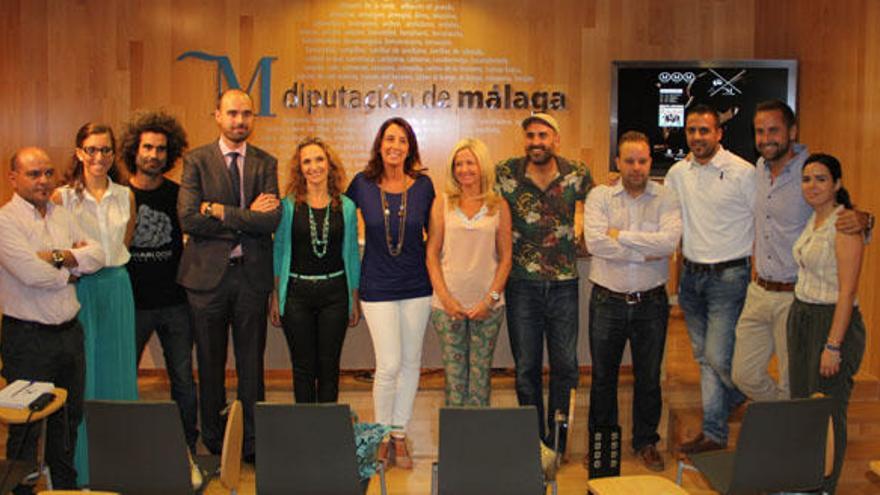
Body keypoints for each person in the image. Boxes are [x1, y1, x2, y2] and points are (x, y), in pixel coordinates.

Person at [731, 100, 871, 403]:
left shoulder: (811, 172)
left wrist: (865, 219)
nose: (766, 138)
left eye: (774, 130)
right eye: (759, 131)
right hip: (759, 290)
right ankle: (784, 417)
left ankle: (788, 438)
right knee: (743, 374)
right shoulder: (757, 168)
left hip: (795, 298)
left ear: (792, 131)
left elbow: (842, 216)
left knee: (793, 384)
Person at [178, 89, 281, 463]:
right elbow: (188, 218)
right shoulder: (197, 161)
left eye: (247, 114)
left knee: (252, 367)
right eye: (233, 113)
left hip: (251, 279)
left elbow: (271, 219)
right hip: (206, 282)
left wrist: (219, 211)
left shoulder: (265, 163)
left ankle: (253, 445)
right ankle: (217, 444)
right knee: (209, 363)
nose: (240, 121)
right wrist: (243, 218)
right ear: (217, 115)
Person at [0, 147, 104, 494]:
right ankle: (21, 490)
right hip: (27, 340)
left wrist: (58, 257)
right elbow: (31, 274)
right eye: (33, 174)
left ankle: (65, 488)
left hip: (68, 336)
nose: (43, 181)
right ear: (13, 178)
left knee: (68, 420)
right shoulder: (5, 222)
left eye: (47, 173)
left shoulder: (61, 215)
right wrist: (71, 271)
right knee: (26, 426)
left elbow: (99, 255)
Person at [583, 131, 681, 471]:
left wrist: (620, 237)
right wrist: (645, 252)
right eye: (629, 161)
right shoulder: (600, 196)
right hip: (607, 301)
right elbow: (595, 243)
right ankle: (602, 443)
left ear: (650, 162)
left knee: (649, 376)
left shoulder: (666, 197)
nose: (636, 167)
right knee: (603, 377)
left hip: (651, 303)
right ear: (617, 163)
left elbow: (668, 244)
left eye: (642, 160)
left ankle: (646, 442)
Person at [495, 113, 592, 453]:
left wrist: (587, 235)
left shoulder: (577, 174)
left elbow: (600, 205)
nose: (536, 142)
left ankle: (559, 443)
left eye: (543, 135)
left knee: (565, 366)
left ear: (556, 139)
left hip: (565, 285)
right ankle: (534, 445)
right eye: (531, 135)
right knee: (526, 369)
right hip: (521, 285)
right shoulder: (506, 173)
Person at [345, 117, 435, 469]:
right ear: (379, 145)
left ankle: (400, 436)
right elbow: (337, 222)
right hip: (377, 285)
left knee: (412, 362)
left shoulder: (425, 186)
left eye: (402, 140)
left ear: (410, 147)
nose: (395, 146)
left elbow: (437, 238)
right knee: (389, 365)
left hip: (417, 286)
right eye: (389, 139)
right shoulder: (361, 185)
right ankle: (381, 435)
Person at [665, 104, 753, 455]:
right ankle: (715, 432)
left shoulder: (743, 172)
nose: (698, 136)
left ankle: (746, 392)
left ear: (719, 133)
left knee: (717, 355)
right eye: (692, 130)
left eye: (705, 130)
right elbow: (662, 209)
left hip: (730, 276)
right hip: (692, 276)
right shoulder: (677, 173)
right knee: (704, 357)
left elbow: (765, 217)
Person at [54, 123, 138, 484]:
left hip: (117, 287)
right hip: (81, 290)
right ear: (79, 153)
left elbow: (124, 243)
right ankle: (82, 468)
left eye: (105, 150)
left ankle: (119, 465)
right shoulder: (63, 197)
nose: (98, 157)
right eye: (91, 149)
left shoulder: (126, 195)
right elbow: (56, 249)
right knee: (83, 375)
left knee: (118, 372)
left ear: (114, 154)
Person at [119, 110, 199, 452]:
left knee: (183, 380)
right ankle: (126, 447)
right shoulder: (117, 195)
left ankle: (185, 448)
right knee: (124, 380)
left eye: (161, 149)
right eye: (147, 147)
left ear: (171, 154)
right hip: (130, 305)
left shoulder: (179, 195)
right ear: (134, 151)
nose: (153, 155)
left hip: (175, 305)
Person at [788, 153, 865, 494]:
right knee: (804, 406)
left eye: (821, 179)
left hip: (831, 322)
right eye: (807, 179)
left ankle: (824, 486)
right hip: (802, 316)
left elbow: (847, 292)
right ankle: (805, 479)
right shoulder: (813, 219)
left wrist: (833, 345)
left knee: (829, 410)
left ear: (837, 184)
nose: (813, 185)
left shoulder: (845, 224)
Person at [269, 137, 361, 403]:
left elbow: (353, 255)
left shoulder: (346, 206)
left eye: (319, 159)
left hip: (335, 293)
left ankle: (327, 433)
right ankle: (306, 434)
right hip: (296, 294)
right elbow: (279, 252)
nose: (314, 167)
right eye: (306, 161)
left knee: (329, 367)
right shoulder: (287, 206)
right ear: (300, 168)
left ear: (329, 164)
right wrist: (276, 295)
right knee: (303, 369)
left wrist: (353, 298)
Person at [426, 138, 512, 407]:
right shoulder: (442, 203)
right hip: (447, 306)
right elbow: (431, 255)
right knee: (454, 381)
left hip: (488, 307)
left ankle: (478, 446)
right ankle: (456, 446)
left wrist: (490, 299)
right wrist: (447, 299)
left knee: (480, 380)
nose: (464, 169)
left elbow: (506, 257)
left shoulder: (499, 205)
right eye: (458, 164)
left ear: (482, 166)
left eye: (470, 163)